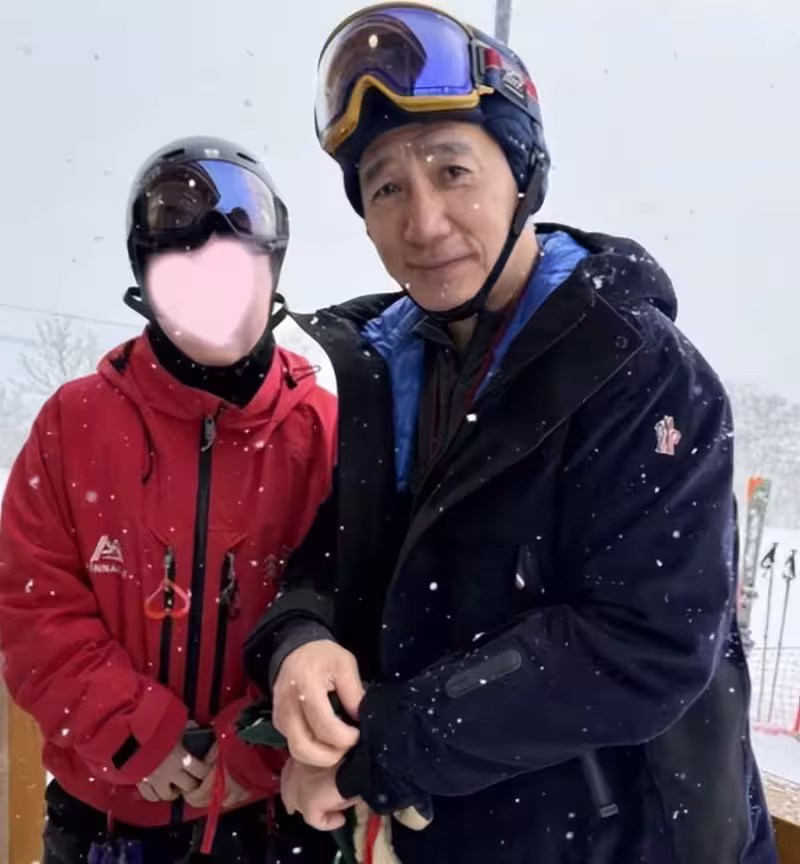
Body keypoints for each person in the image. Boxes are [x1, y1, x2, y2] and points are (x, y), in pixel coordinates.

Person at [244, 6, 778, 863]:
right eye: (387, 188)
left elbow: (646, 641)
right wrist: (298, 642)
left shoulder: (641, 373)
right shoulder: (394, 374)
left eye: (452, 170)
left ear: (522, 171)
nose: (424, 223)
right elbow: (333, 559)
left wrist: (381, 749)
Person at [0, 137, 337, 863]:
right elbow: (31, 607)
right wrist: (136, 732)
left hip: (272, 823)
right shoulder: (74, 423)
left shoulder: (325, 435)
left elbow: (353, 611)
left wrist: (257, 746)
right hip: (102, 823)